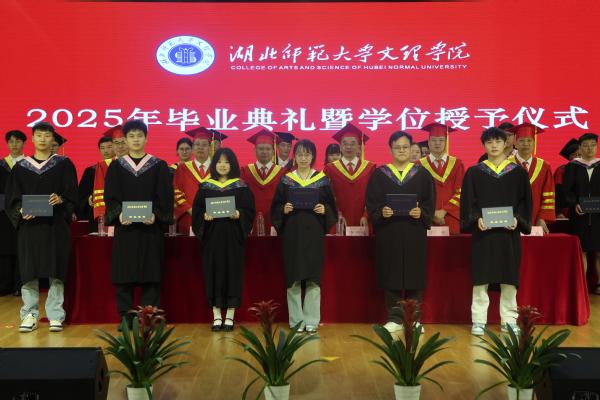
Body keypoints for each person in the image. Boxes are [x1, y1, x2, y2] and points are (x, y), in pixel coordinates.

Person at [4, 122, 78, 332]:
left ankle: (55, 315)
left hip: (55, 226)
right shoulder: (21, 167)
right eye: (39, 135)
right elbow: (12, 198)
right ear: (33, 138)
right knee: (29, 271)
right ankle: (29, 314)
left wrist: (61, 199)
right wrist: (20, 210)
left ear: (53, 139)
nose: (43, 139)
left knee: (57, 270)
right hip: (30, 227)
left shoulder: (64, 164)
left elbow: (73, 194)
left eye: (47, 135)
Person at [460, 127, 532, 336]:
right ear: (484, 145)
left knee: (509, 278)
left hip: (509, 234)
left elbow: (525, 202)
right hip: (484, 233)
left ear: (506, 144)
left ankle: (509, 320)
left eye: (498, 141)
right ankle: (478, 320)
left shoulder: (518, 172)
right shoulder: (474, 172)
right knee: (481, 278)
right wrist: (477, 219)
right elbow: (468, 203)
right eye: (489, 142)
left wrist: (517, 219)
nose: (494, 145)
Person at [104, 120, 174, 327]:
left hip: (150, 229)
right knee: (124, 274)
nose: (136, 140)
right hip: (125, 230)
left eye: (139, 136)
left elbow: (165, 197)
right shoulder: (116, 166)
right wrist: (118, 215)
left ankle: (149, 316)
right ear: (125, 140)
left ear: (146, 138)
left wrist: (156, 215)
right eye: (131, 136)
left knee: (151, 273)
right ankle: (126, 318)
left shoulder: (159, 165)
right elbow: (110, 196)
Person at [366, 131, 435, 333]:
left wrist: (422, 213)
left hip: (414, 231)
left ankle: (414, 319)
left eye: (405, 147)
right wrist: (381, 211)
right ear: (390, 149)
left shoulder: (422, 174)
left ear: (412, 148)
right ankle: (395, 319)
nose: (402, 151)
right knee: (392, 273)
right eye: (397, 147)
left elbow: (429, 202)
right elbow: (372, 202)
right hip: (390, 231)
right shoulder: (380, 174)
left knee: (415, 274)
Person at [271, 139, 337, 334]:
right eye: (299, 154)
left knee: (313, 277)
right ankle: (296, 320)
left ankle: (311, 320)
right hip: (293, 234)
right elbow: (275, 207)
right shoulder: (286, 180)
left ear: (313, 157)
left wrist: (324, 209)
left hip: (314, 234)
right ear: (294, 156)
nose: (303, 158)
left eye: (307, 154)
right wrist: (283, 209)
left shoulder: (322, 180)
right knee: (293, 277)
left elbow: (331, 207)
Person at [191, 148, 255, 331]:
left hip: (233, 237)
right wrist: (204, 216)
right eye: (219, 162)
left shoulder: (241, 187)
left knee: (232, 274)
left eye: (227, 162)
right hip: (212, 238)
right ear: (214, 164)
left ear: (232, 164)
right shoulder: (205, 187)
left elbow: (249, 210)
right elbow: (197, 212)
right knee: (213, 273)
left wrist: (239, 214)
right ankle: (217, 316)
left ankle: (230, 317)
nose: (223, 165)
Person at [563, 132, 600, 293]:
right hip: (579, 215)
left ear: (597, 146)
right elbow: (567, 190)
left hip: (599, 216)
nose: (589, 148)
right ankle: (582, 287)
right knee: (581, 250)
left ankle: (599, 284)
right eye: (585, 145)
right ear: (580, 148)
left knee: (599, 252)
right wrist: (574, 203)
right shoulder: (573, 166)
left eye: (593, 145)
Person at [323, 123, 376, 230]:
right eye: (345, 143)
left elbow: (374, 196)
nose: (348, 147)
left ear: (359, 146)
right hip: (338, 222)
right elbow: (326, 196)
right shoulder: (330, 169)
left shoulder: (370, 168)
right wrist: (337, 214)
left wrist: (366, 215)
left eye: (353, 143)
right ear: (340, 146)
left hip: (364, 222)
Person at [417, 123, 464, 234]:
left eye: (441, 140)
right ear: (428, 142)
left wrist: (444, 211)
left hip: (451, 217)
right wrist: (431, 213)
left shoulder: (457, 164)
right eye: (433, 140)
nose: (437, 143)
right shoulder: (418, 165)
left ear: (446, 142)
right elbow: (417, 193)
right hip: (427, 218)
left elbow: (461, 192)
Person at [508, 123, 556, 233]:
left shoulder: (544, 166)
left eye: (529, 140)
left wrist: (542, 218)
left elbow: (548, 194)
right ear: (515, 143)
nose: (526, 144)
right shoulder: (506, 165)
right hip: (511, 219)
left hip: (536, 219)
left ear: (534, 143)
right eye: (521, 141)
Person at [241, 129, 287, 236]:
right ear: (254, 150)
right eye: (260, 148)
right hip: (250, 221)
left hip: (276, 221)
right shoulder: (244, 172)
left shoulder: (283, 173)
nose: (264, 152)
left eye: (268, 149)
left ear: (273, 151)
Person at [173, 127, 213, 235]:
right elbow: (176, 192)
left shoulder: (216, 169)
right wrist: (190, 209)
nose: (200, 147)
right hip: (188, 218)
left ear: (210, 148)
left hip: (213, 219)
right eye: (197, 144)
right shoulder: (183, 168)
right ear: (193, 148)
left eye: (204, 145)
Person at [0, 130, 26, 296]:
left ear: (24, 143)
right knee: (4, 249)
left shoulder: (29, 165)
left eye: (18, 141)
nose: (14, 144)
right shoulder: (1, 165)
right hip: (3, 213)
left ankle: (21, 285)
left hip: (25, 212)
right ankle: (4, 285)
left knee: (22, 249)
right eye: (11, 141)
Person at [77, 135, 115, 232]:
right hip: (97, 216)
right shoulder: (91, 171)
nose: (106, 151)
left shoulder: (121, 168)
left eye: (109, 147)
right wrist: (88, 198)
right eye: (102, 148)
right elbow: (81, 195)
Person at [92, 126, 124, 224]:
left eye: (123, 142)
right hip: (112, 215)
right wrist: (104, 216)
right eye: (116, 143)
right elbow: (100, 192)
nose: (120, 146)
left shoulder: (141, 164)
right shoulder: (103, 165)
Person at [554, 138, 580, 218]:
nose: (579, 157)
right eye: (576, 154)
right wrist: (558, 212)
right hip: (567, 211)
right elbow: (557, 192)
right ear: (570, 157)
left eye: (581, 154)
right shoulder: (562, 170)